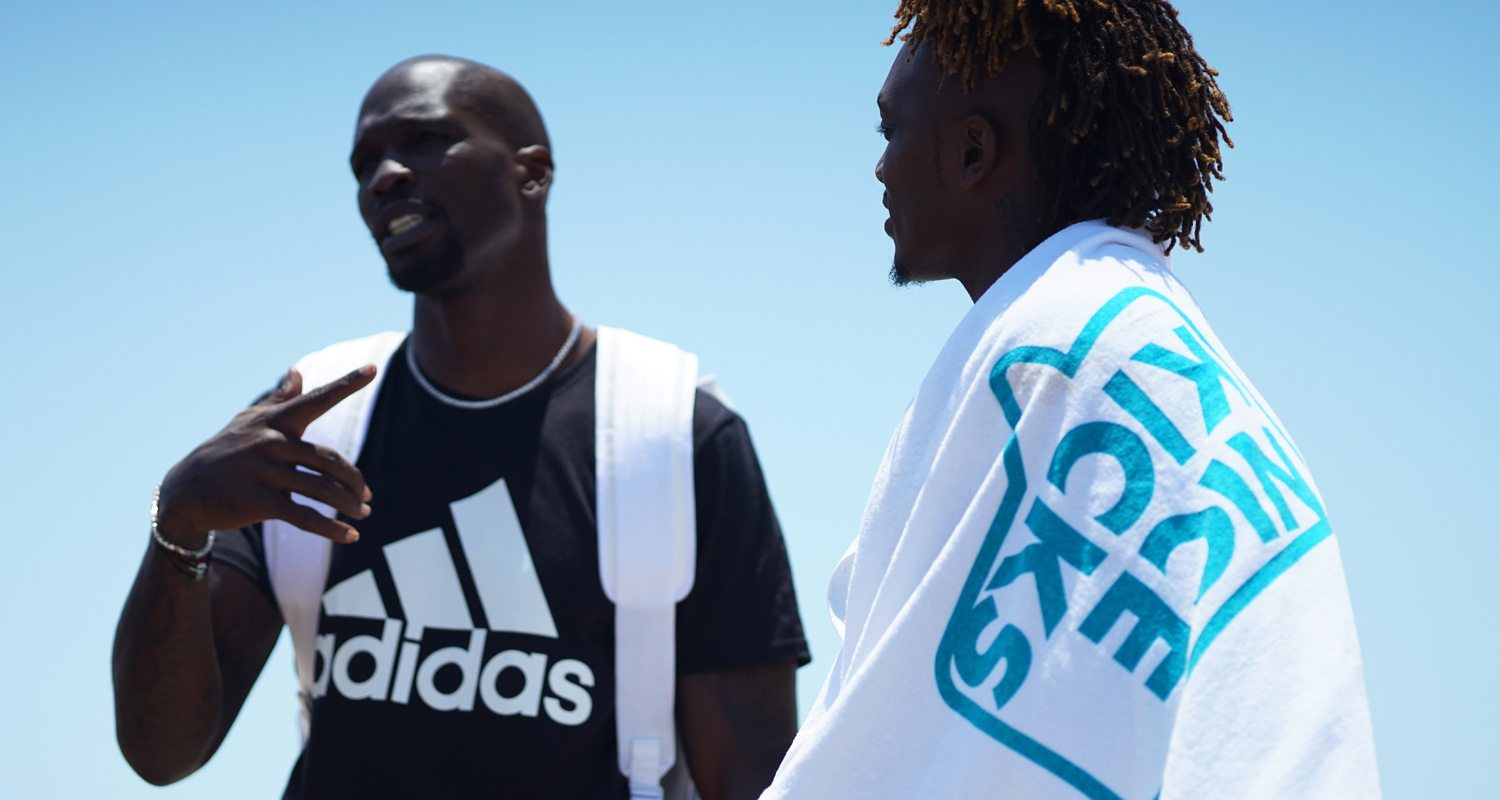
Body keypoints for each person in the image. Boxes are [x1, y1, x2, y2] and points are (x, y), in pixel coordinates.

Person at [112, 55, 808, 800]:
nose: (384, 177)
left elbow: (752, 779)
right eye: (365, 164)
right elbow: (164, 755)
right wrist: (179, 525)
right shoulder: (311, 425)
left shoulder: (675, 436)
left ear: (532, 173)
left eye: (423, 140)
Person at [762, 3, 1379, 798]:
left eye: (889, 133)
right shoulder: (1175, 357)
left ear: (974, 152)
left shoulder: (1048, 353)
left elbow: (891, 731)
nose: (881, 169)